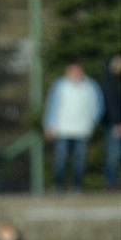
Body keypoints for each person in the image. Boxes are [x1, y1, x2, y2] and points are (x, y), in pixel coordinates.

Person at [43, 61, 104, 193]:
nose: (75, 73)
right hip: (62, 130)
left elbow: (98, 106)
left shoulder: (90, 86)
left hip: (82, 130)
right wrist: (49, 125)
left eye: (77, 70)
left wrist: (93, 122)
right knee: (60, 161)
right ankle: (58, 187)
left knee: (79, 162)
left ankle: (77, 188)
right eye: (72, 70)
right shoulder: (60, 85)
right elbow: (52, 106)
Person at [101, 55, 121, 192]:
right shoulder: (110, 83)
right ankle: (111, 184)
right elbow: (112, 104)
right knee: (113, 156)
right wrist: (117, 122)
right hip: (115, 124)